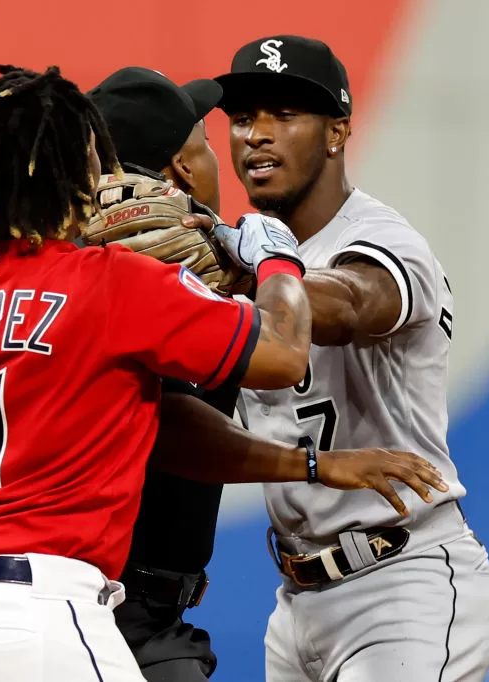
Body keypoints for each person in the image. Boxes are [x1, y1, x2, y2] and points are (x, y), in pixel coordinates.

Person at [0, 63, 316, 682]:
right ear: (75, 173)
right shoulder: (108, 282)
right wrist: (274, 256)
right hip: (41, 611)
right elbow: (286, 353)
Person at [84, 66, 451, 682]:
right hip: (112, 609)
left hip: (21, 599)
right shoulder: (173, 285)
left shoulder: (54, 277)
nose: (251, 138)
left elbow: (358, 301)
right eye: (230, 126)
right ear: (180, 168)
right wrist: (272, 265)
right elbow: (269, 362)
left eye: (282, 117)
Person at [209, 35, 489, 681]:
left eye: (285, 115)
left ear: (338, 131)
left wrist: (259, 275)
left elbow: (346, 305)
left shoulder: (380, 238)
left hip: (402, 585)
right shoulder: (243, 263)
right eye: (242, 118)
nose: (257, 135)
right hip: (296, 602)